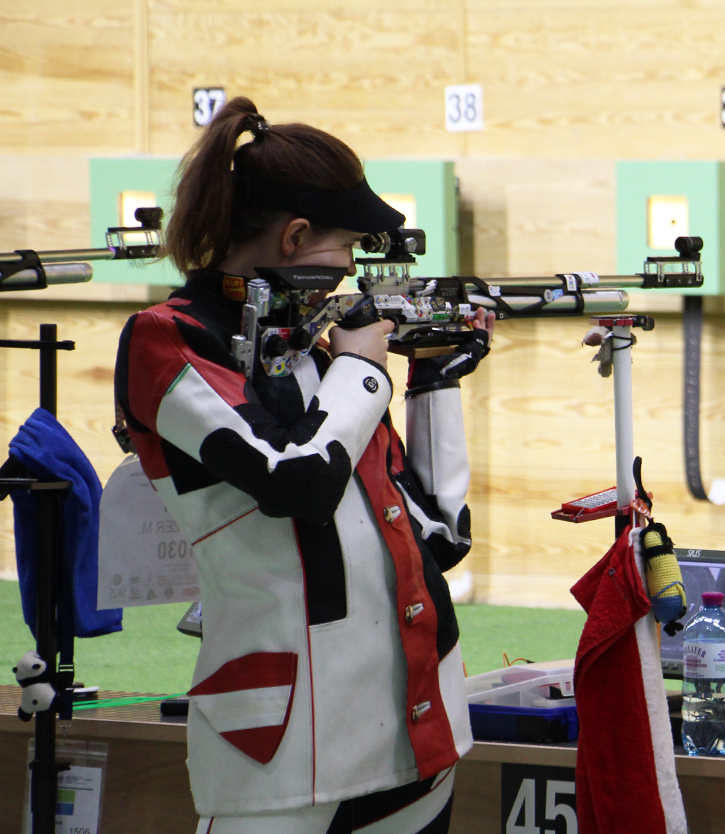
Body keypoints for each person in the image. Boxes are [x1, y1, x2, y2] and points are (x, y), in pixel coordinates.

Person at [114, 97, 494, 834]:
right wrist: (365, 373)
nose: (354, 271)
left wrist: (435, 383)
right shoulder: (169, 340)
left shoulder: (322, 357)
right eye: (348, 248)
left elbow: (439, 537)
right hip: (284, 752)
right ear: (294, 236)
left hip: (416, 737)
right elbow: (298, 482)